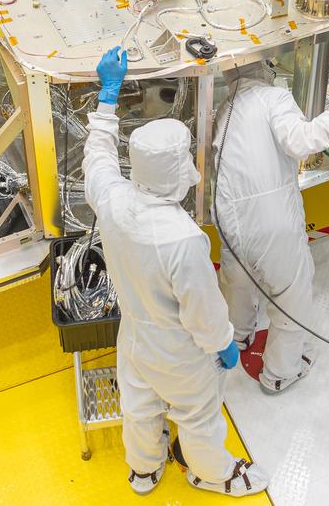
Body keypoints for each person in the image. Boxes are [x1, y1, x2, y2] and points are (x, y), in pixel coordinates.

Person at [85, 46, 268, 497]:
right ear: (179, 168)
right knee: (198, 416)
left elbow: (97, 157)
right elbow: (202, 314)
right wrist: (224, 344)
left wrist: (109, 94)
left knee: (141, 406)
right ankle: (213, 473)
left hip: (134, 338)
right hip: (179, 352)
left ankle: (144, 470)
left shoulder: (113, 201)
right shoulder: (183, 238)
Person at [214, 61, 329, 394]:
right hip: (271, 221)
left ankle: (237, 333)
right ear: (263, 66)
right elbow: (300, 140)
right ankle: (280, 372)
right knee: (292, 295)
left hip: (230, 220)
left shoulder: (225, 108)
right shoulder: (272, 97)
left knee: (238, 282)